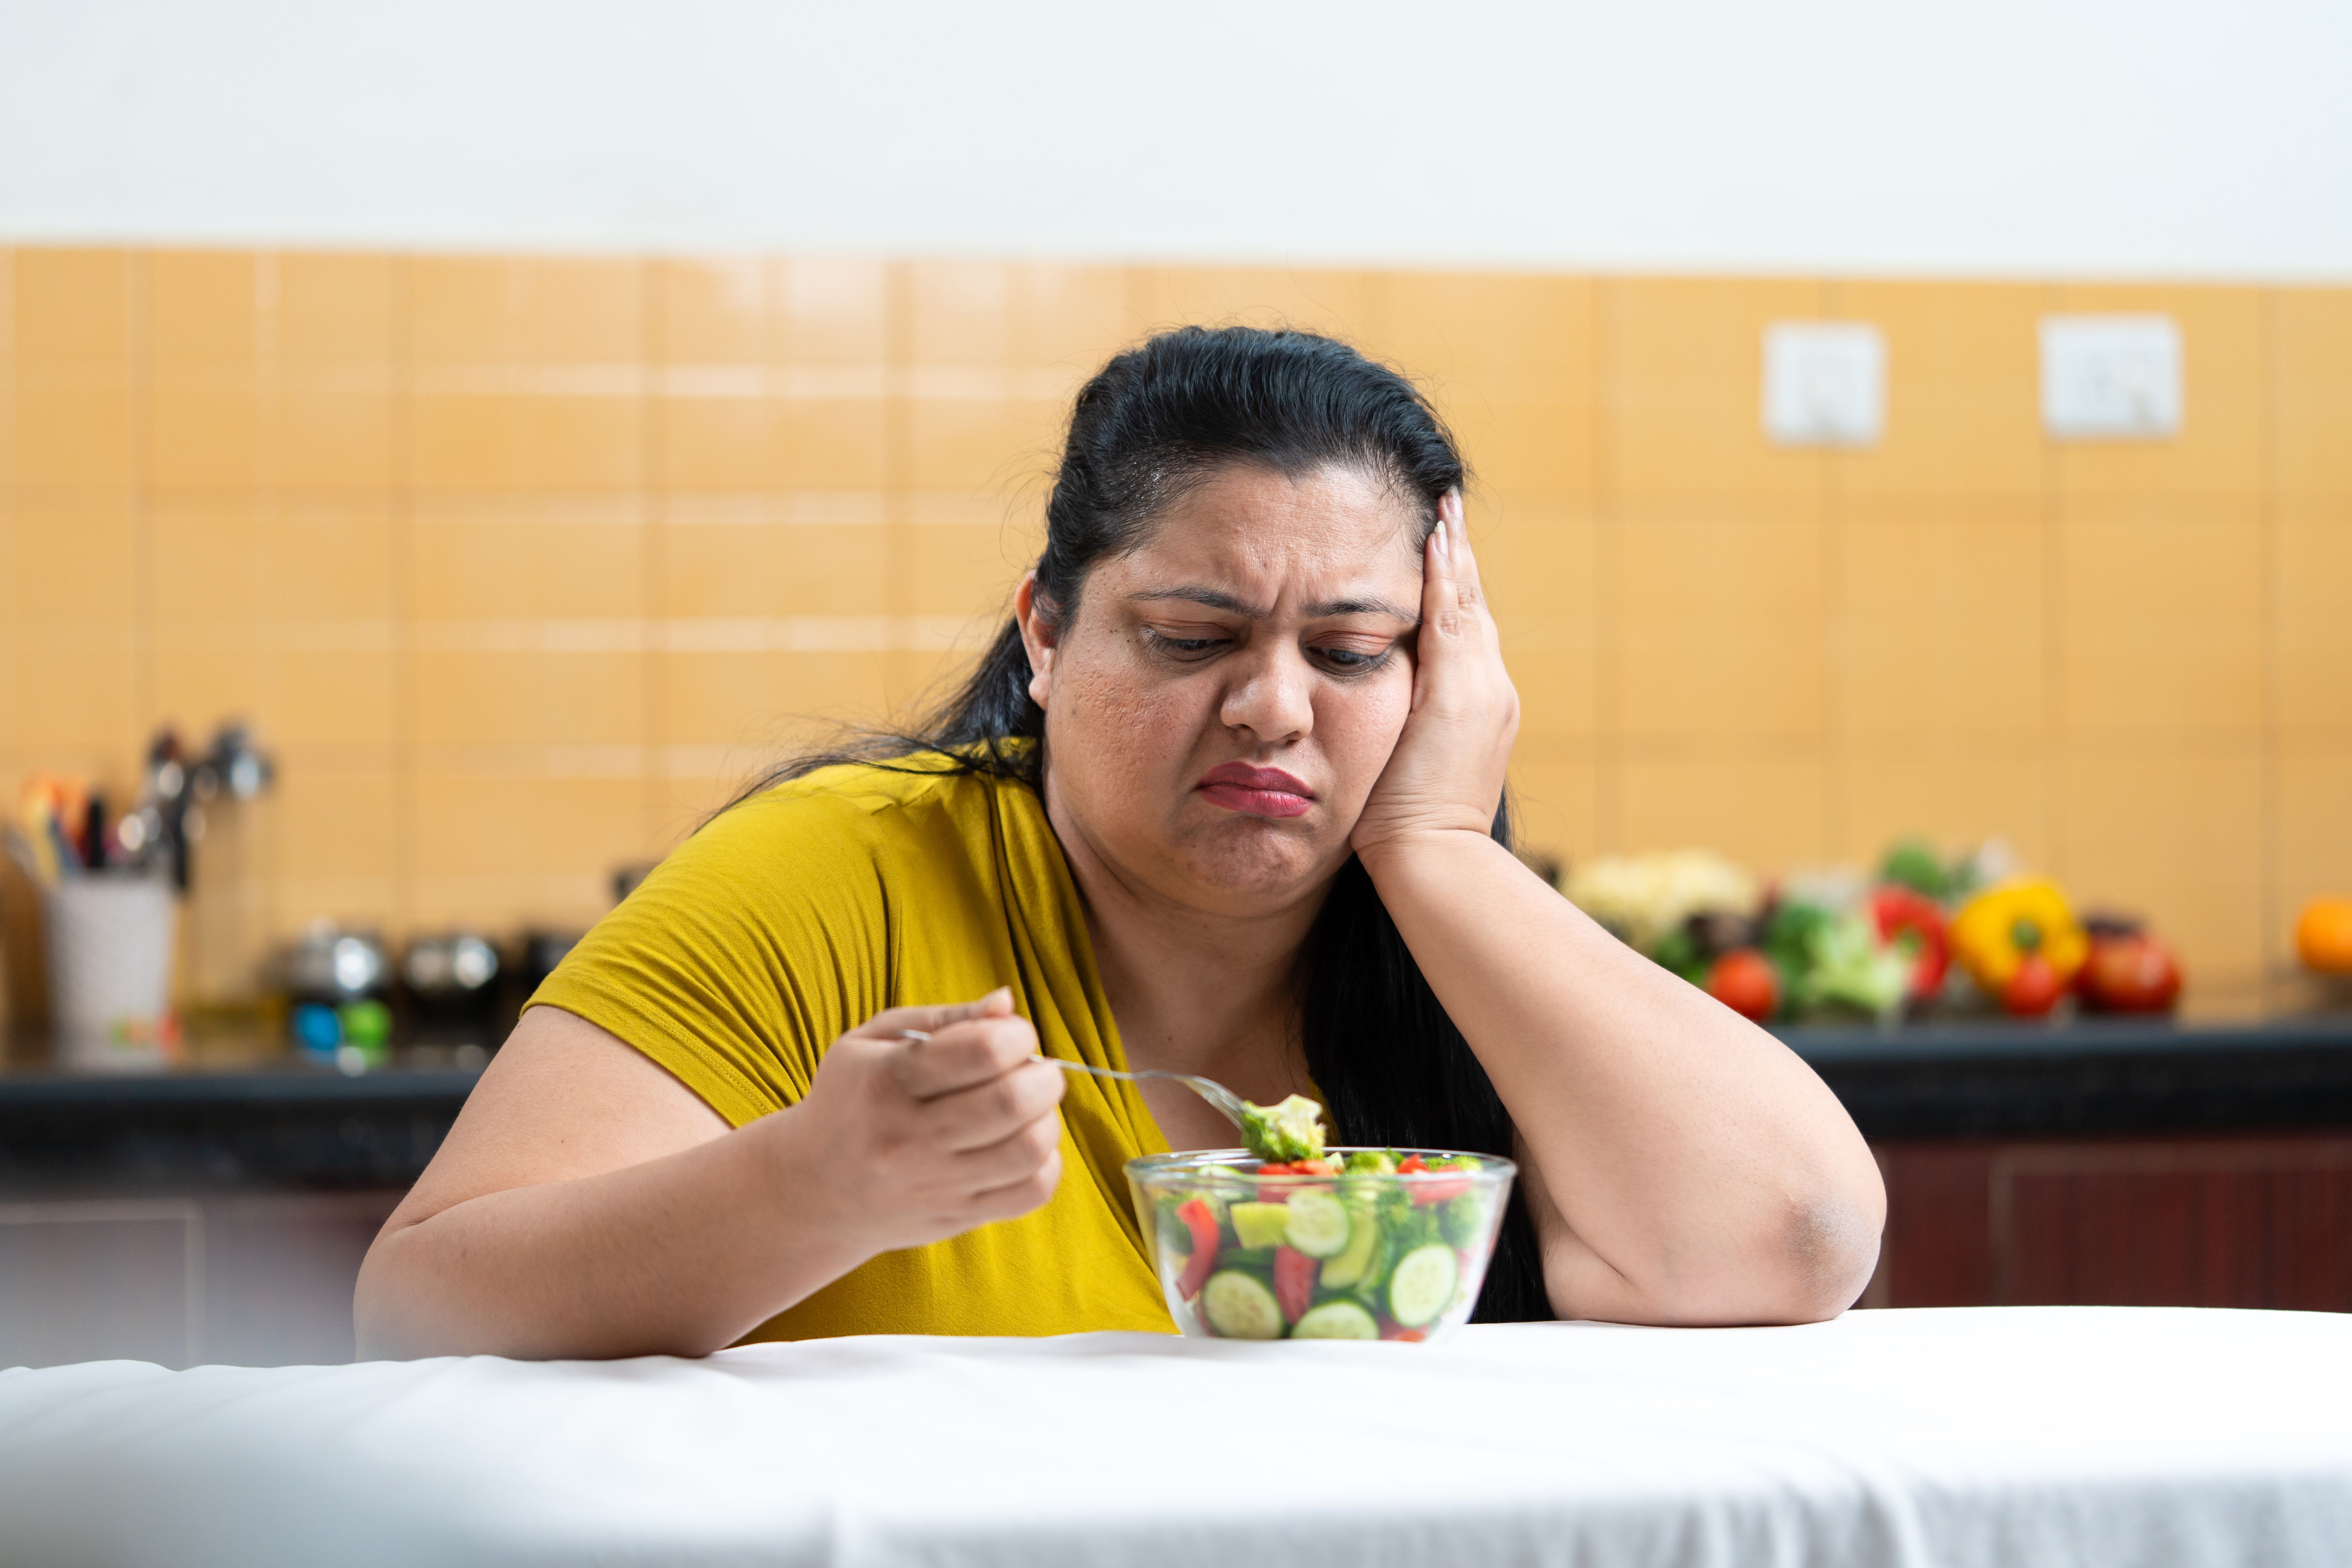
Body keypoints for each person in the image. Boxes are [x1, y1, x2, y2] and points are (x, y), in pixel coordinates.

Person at [354, 326, 1884, 1360]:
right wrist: (814, 1186)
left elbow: (1797, 1235)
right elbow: (418, 1311)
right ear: (1047, 631)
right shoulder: (838, 873)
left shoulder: (1459, 944)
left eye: (1354, 653)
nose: (1272, 709)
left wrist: (1438, 847)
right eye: (1191, 636)